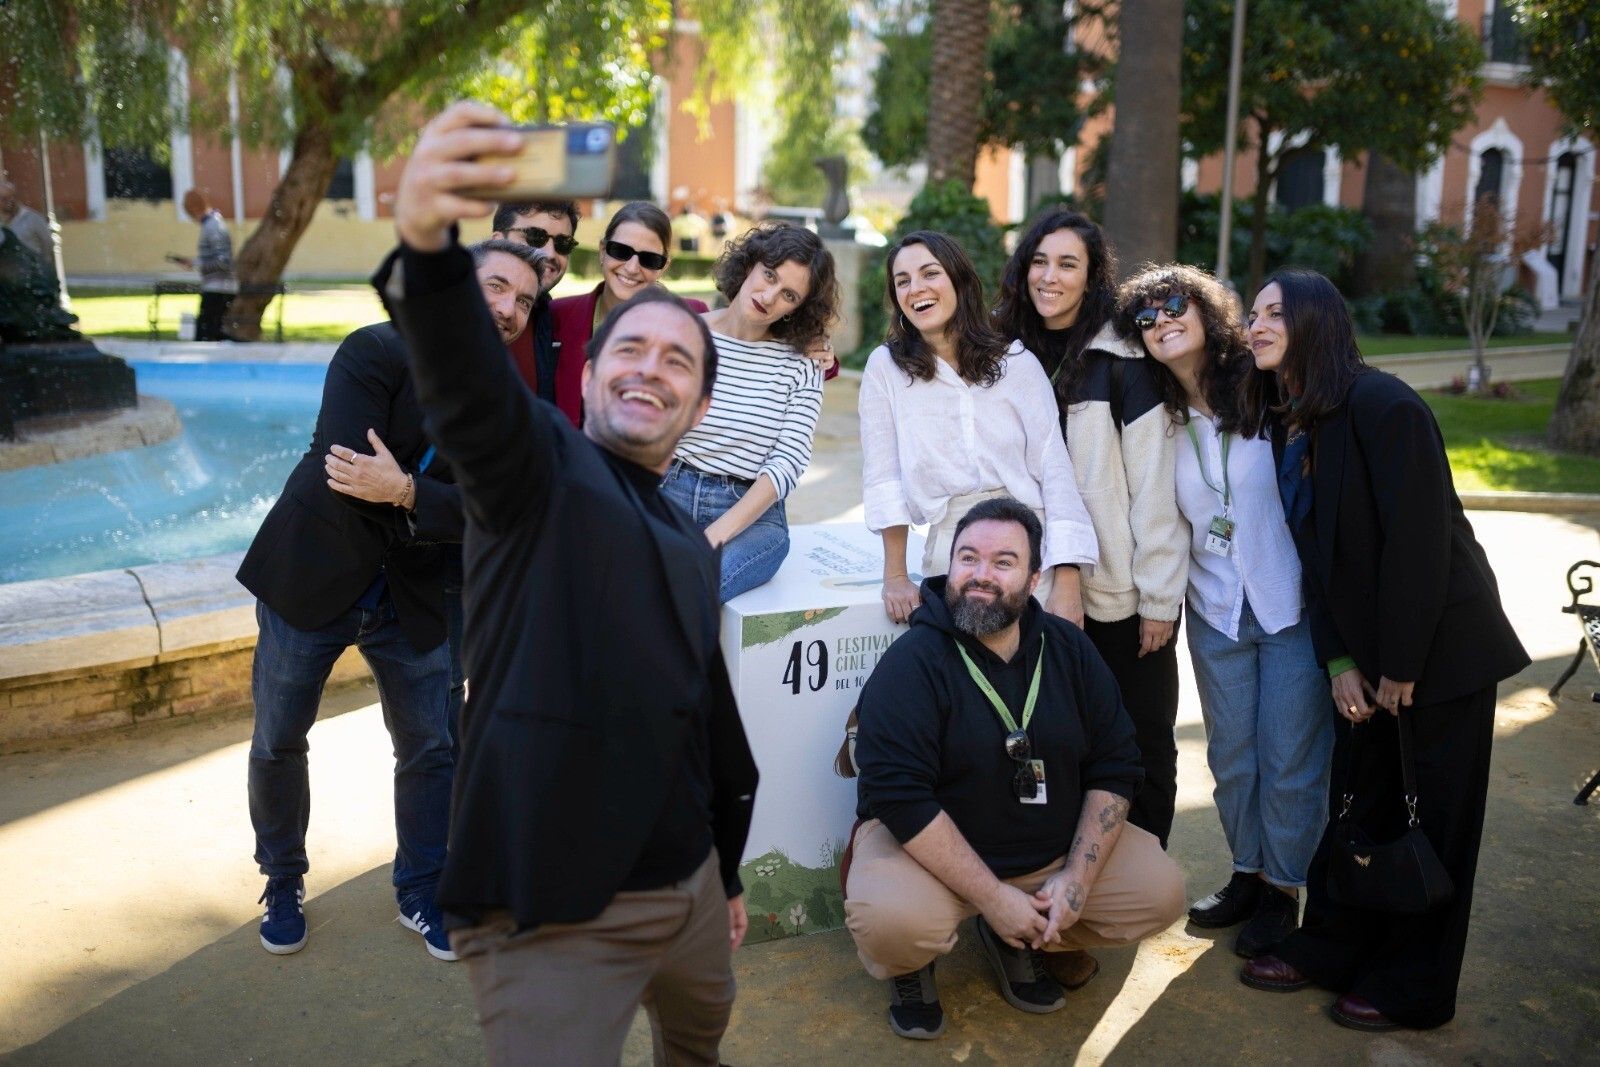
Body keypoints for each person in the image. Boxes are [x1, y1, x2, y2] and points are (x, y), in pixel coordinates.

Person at [384, 102, 759, 1066]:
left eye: (679, 359)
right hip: (552, 909)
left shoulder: (691, 538)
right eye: (630, 348)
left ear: (703, 404)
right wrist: (427, 245)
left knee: (699, 1046)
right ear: (587, 373)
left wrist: (728, 871)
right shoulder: (538, 470)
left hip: (691, 891)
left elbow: (706, 713)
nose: (652, 369)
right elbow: (470, 390)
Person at [1236, 269, 1528, 1032]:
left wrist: (1401, 664)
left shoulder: (1385, 405)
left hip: (1441, 650)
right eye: (1253, 313)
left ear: (1317, 322)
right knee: (1356, 804)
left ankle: (1415, 985)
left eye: (1275, 312)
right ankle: (1333, 947)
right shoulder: (1290, 417)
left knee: (1432, 818)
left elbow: (1418, 547)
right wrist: (1339, 662)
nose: (1256, 324)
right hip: (1362, 657)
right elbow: (1316, 557)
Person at [237, 236, 543, 962]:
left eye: (524, 300)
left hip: (421, 591)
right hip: (313, 573)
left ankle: (423, 888)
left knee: (431, 747)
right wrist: (442, 501)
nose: (506, 308)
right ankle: (282, 879)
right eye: (494, 286)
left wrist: (406, 489)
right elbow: (347, 468)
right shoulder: (371, 350)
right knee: (279, 737)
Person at [844, 497, 1185, 1040]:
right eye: (967, 558)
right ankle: (915, 966)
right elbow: (898, 795)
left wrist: (1077, 877)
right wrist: (992, 897)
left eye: (1003, 562)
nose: (981, 575)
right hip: (931, 858)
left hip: (1044, 853)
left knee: (1160, 893)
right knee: (894, 924)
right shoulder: (913, 662)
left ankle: (1020, 936)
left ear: (1033, 577)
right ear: (949, 565)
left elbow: (1116, 763)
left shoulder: (1070, 648)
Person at [1114, 263, 1333, 958]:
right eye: (1145, 318)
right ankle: (1246, 872)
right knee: (1234, 756)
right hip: (1214, 609)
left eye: (1174, 304)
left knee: (1290, 755)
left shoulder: (1266, 389)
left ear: (1208, 310)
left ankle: (1283, 887)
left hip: (1288, 602)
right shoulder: (1159, 417)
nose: (1161, 322)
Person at [993, 210, 1189, 848]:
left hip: (1120, 594)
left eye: (1067, 264)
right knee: (1055, 739)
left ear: (1091, 276)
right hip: (1032, 587)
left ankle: (1144, 863)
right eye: (1039, 262)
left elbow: (1156, 488)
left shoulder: (1121, 360)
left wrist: (1159, 597)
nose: (1049, 277)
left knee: (1139, 740)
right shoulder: (1000, 353)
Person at [862, 229, 1098, 629]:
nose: (916, 288)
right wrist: (896, 576)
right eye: (902, 281)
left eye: (929, 273)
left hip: (1027, 540)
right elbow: (884, 477)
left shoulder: (1015, 362)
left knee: (1032, 677)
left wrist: (1068, 580)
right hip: (951, 545)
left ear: (959, 280)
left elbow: (1054, 469)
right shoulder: (886, 368)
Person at [664, 222, 837, 600]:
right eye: (769, 275)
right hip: (669, 489)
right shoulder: (684, 333)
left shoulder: (803, 362)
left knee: (693, 585)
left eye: (789, 294)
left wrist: (714, 537)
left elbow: (788, 461)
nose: (769, 295)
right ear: (750, 264)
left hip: (752, 513)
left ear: (798, 308)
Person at [548, 202, 710, 426]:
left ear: (663, 266)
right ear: (603, 250)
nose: (632, 268)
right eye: (621, 251)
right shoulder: (558, 315)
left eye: (649, 260)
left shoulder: (695, 317)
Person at [489, 198, 577, 403]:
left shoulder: (550, 323)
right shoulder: (449, 308)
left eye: (563, 244)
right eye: (535, 237)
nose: (550, 253)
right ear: (497, 240)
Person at [176, 189, 236, 341]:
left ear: (195, 209)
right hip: (218, 287)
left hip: (219, 288)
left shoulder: (213, 226)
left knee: (205, 335)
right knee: (210, 333)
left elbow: (224, 262)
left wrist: (196, 263)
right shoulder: (213, 224)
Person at [0, 178, 54, 267]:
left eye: (12, 197)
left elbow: (47, 244)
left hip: (31, 274)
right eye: (4, 199)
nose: (9, 201)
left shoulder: (33, 219)